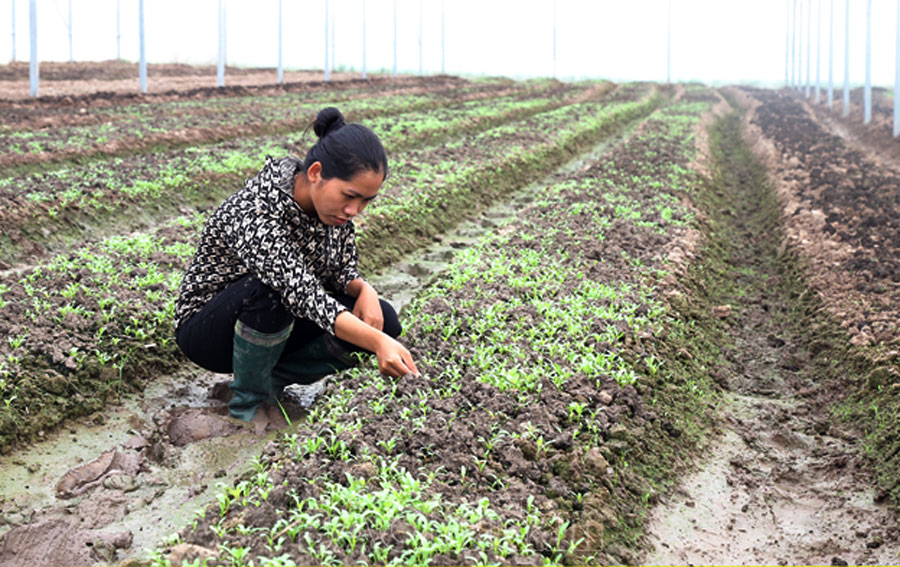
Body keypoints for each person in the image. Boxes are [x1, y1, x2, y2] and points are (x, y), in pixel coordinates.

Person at [174, 107, 418, 422]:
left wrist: (363, 289)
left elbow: (340, 271)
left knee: (382, 319)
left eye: (365, 202)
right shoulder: (256, 209)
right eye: (350, 196)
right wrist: (378, 343)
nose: (354, 210)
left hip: (277, 315)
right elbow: (299, 291)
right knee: (272, 292)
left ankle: (269, 382)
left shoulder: (334, 213)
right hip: (207, 330)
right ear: (316, 172)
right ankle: (245, 408)